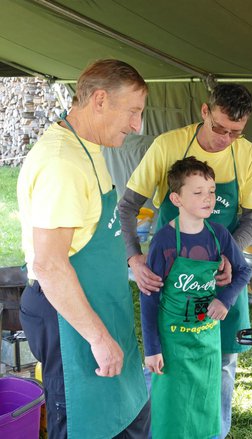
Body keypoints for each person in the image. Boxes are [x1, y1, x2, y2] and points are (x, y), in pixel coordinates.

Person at [118, 83, 252, 438]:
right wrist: (135, 258)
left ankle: (214, 432)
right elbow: (126, 207)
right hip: (172, 278)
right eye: (219, 128)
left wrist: (228, 254)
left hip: (221, 277)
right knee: (164, 363)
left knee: (224, 363)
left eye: (235, 132)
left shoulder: (248, 156)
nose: (226, 139)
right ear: (205, 111)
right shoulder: (168, 145)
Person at [17, 59, 151, 439]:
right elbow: (50, 265)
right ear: (100, 100)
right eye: (133, 112)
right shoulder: (62, 163)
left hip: (99, 306)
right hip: (69, 320)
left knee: (128, 415)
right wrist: (98, 338)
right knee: (84, 425)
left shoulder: (88, 146)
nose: (137, 125)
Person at [142, 157, 251, 438]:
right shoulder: (164, 241)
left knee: (206, 404)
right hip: (172, 341)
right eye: (198, 192)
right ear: (176, 199)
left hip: (207, 340)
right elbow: (150, 297)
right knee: (172, 406)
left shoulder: (219, 235)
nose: (208, 198)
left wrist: (224, 300)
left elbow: (242, 271)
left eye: (212, 191)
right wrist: (152, 348)